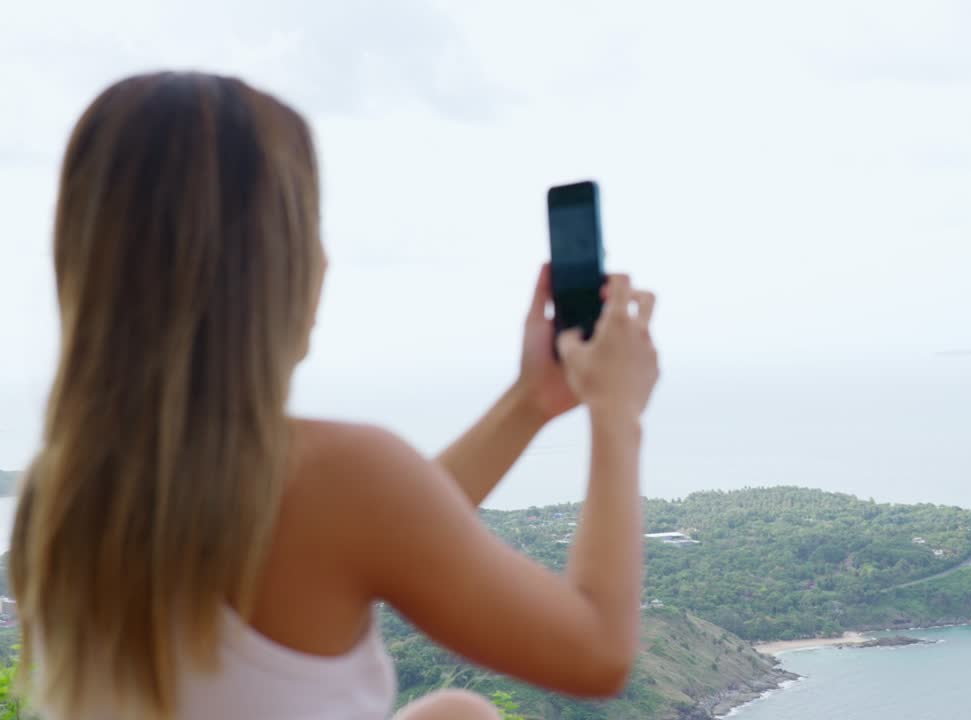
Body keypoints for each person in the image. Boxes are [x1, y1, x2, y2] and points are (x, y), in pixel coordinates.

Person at [9, 72, 659, 720]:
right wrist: (617, 412)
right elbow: (596, 648)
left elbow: (383, 524)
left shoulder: (58, 498)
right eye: (309, 229)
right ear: (270, 267)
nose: (325, 261)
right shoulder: (333, 478)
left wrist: (530, 402)